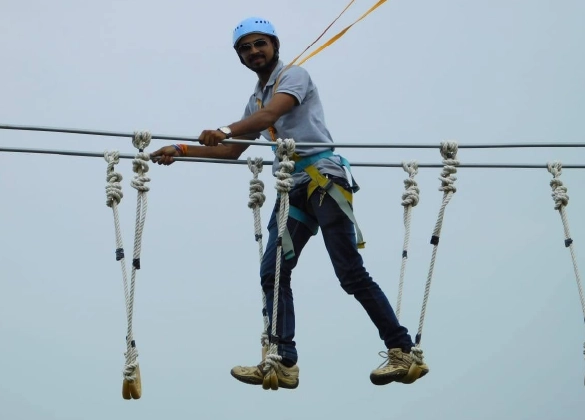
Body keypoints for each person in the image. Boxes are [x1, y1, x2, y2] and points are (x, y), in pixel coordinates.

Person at [151, 16, 429, 389]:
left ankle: (401, 351)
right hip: (295, 190)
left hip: (323, 178)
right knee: (273, 272)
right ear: (240, 57)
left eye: (259, 44)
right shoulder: (255, 99)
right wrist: (181, 150)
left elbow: (269, 116)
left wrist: (226, 129)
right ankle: (283, 361)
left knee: (349, 272)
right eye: (245, 48)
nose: (253, 52)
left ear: (274, 45)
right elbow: (233, 151)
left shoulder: (294, 76)